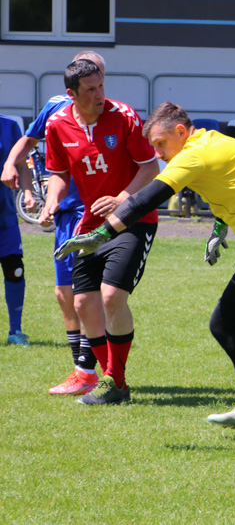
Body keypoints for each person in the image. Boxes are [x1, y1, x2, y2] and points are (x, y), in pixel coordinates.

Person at [56, 101, 235, 446]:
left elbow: (151, 196)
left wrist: (102, 233)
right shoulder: (215, 142)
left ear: (181, 132)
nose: (160, 154)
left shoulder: (194, 154)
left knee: (226, 322)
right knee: (231, 320)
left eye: (162, 144)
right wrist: (222, 226)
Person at [42, 58, 160, 405]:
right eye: (91, 89)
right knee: (83, 303)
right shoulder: (57, 125)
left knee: (111, 296)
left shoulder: (123, 116)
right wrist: (52, 200)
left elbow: (150, 167)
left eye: (101, 86)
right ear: (71, 94)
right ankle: (112, 383)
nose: (99, 94)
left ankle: (115, 383)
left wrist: (122, 199)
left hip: (134, 220)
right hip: (91, 226)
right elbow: (60, 174)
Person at [1, 51, 100, 391]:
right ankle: (80, 367)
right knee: (63, 294)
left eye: (99, 77)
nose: (96, 89)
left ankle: (90, 369)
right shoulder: (56, 107)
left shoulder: (113, 114)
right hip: (64, 214)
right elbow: (27, 142)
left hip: (94, 214)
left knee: (90, 295)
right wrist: (12, 164)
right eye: (88, 79)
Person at [0, 112, 27, 346]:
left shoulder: (9, 127)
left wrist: (28, 193)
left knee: (15, 270)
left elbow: (21, 164)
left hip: (5, 217)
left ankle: (15, 332)